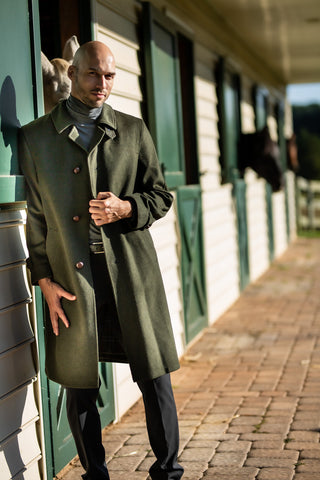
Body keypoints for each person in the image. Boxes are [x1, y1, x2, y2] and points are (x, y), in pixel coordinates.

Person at [19, 40, 184, 480]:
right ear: (72, 74)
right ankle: (96, 475)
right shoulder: (35, 138)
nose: (102, 84)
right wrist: (43, 280)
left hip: (130, 271)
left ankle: (168, 470)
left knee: (154, 374)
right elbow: (36, 219)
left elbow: (160, 196)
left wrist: (125, 208)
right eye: (93, 73)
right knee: (80, 381)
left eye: (110, 75)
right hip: (74, 277)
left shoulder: (133, 130)